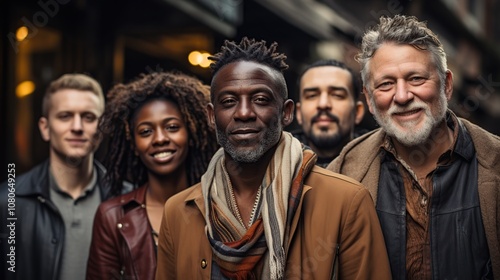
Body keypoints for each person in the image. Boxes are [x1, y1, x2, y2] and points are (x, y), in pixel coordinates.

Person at [155, 37, 391, 279]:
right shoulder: (177, 212)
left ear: (287, 113)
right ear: (212, 116)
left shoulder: (347, 202)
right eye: (228, 102)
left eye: (260, 100)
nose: (244, 113)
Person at [327, 15, 500, 279]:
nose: (403, 96)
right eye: (386, 84)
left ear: (447, 85)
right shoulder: (345, 171)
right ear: (370, 100)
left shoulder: (494, 163)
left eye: (416, 78)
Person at [85, 71, 219, 280]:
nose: (159, 139)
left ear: (190, 133)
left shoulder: (219, 207)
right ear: (134, 144)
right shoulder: (112, 216)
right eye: (146, 131)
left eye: (172, 127)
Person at [0, 73, 117, 280]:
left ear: (101, 129)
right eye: (65, 116)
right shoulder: (7, 200)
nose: (77, 127)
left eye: (88, 117)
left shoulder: (126, 199)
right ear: (45, 128)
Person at [292, 59, 365, 167]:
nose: (323, 104)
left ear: (357, 111)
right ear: (298, 113)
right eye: (312, 96)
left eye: (337, 95)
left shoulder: (383, 163)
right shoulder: (273, 162)